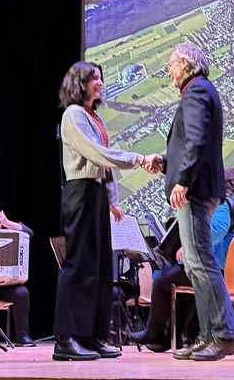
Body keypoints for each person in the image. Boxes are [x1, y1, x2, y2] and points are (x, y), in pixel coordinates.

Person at [53, 61, 160, 361]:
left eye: (101, 77)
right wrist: (138, 158)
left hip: (96, 192)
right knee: (78, 265)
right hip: (80, 191)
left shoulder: (93, 116)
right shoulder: (73, 115)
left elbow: (105, 168)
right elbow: (97, 154)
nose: (100, 83)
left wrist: (111, 199)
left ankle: (93, 337)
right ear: (80, 83)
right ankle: (66, 339)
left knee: (100, 268)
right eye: (95, 79)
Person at [150, 43, 234, 361]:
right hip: (199, 187)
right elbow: (189, 145)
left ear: (186, 63)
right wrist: (164, 161)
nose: (169, 71)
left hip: (196, 190)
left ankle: (224, 334)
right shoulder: (199, 90)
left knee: (200, 264)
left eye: (171, 64)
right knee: (195, 264)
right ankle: (208, 336)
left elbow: (198, 139)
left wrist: (183, 180)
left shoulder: (196, 91)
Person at [128, 167, 234, 353]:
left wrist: (189, 246)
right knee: (187, 282)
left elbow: (213, 231)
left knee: (162, 280)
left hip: (217, 272)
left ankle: (153, 332)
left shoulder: (227, 205)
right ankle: (174, 337)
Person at [0, 209, 35, 347]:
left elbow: (29, 233)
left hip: (5, 287)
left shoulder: (8, 238)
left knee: (22, 293)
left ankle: (22, 336)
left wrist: (7, 223)